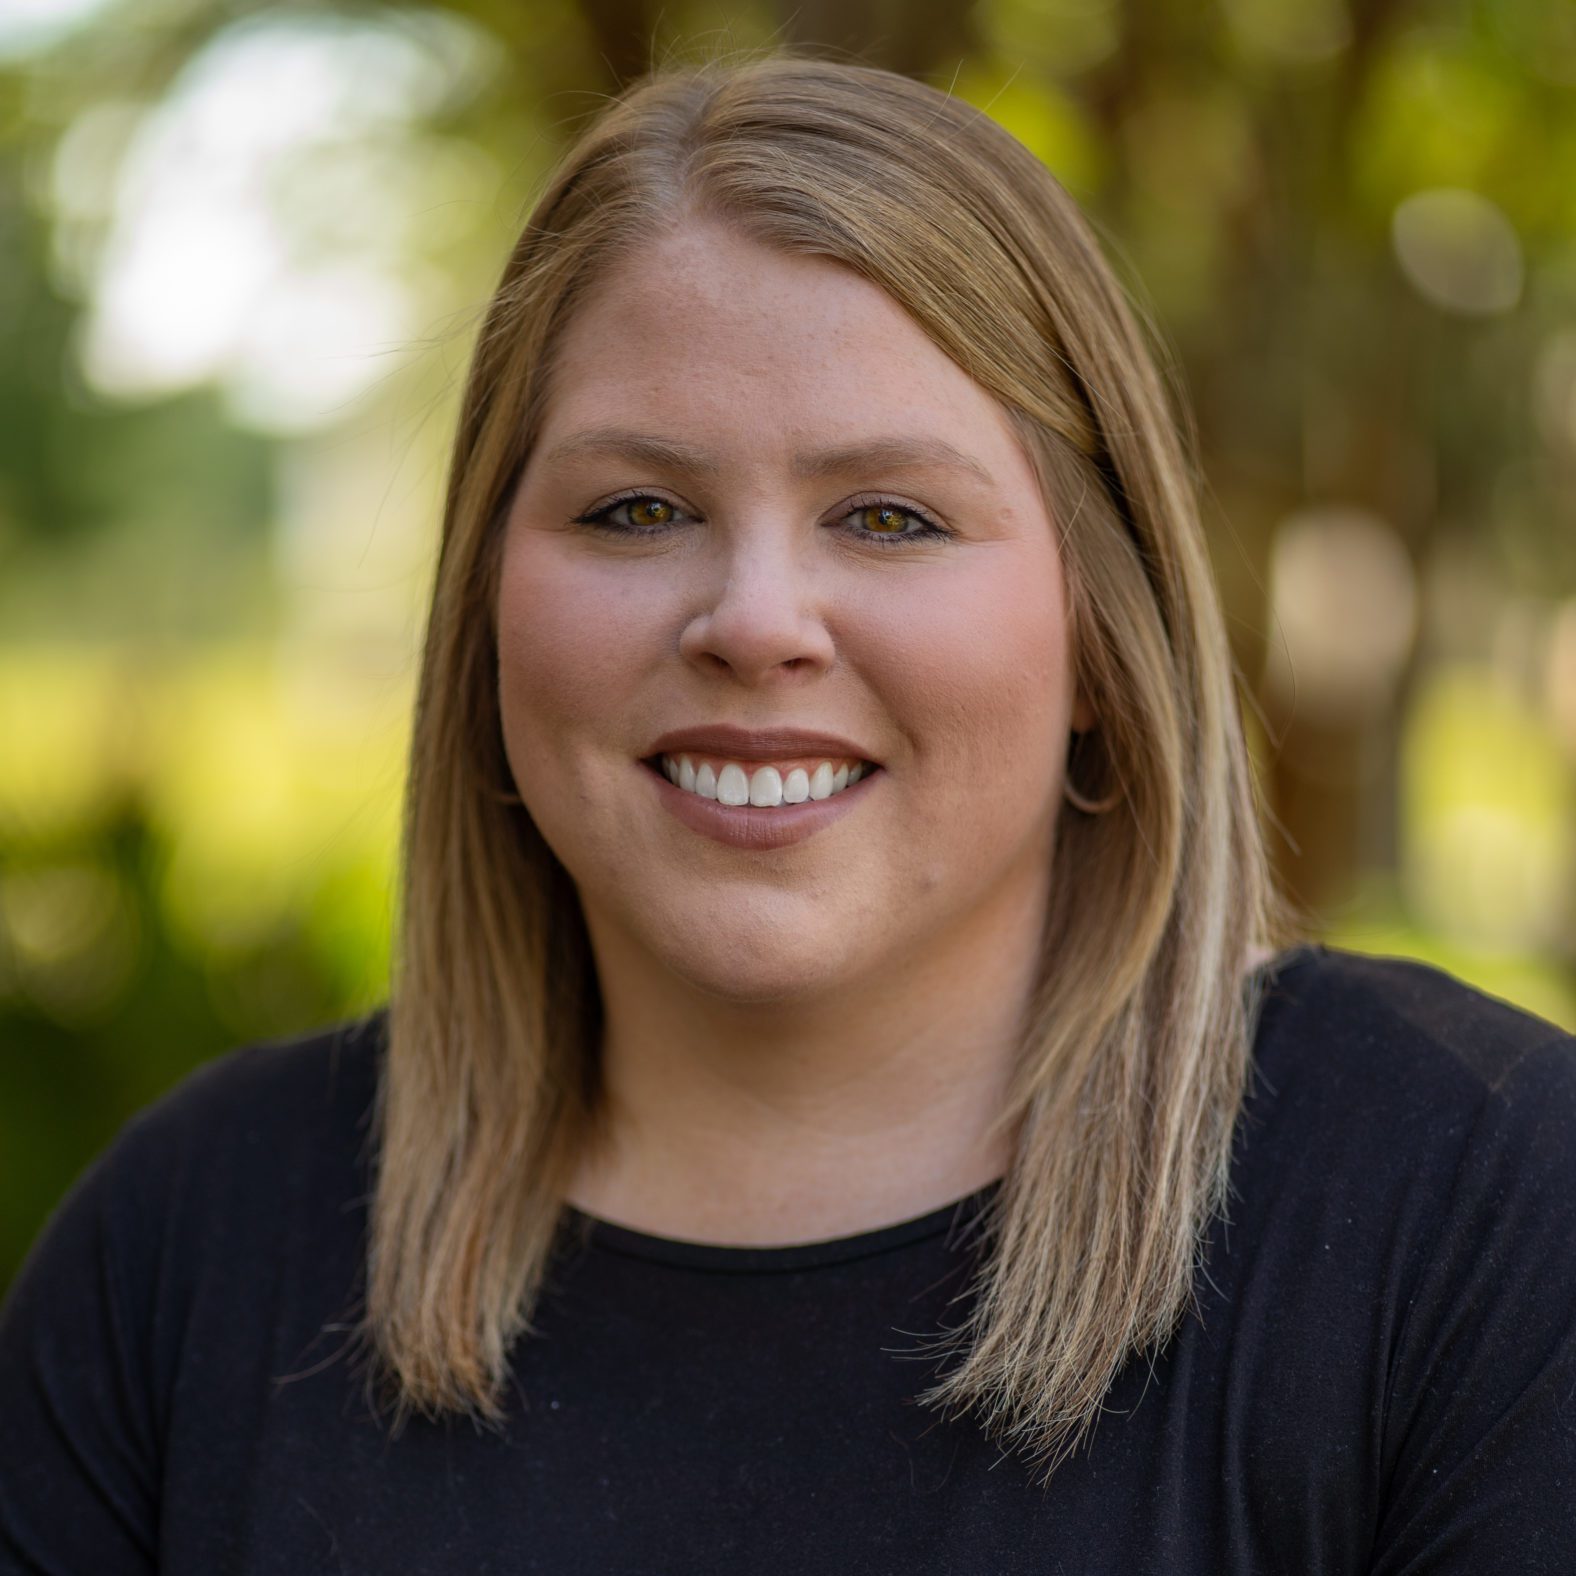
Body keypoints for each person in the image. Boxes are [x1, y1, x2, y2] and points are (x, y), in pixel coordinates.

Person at [2, 47, 1574, 1575]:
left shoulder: (1480, 1214)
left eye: (889, 516)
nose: (756, 621)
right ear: (486, 610)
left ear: (1107, 631)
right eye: (637, 510)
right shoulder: (191, 1255)